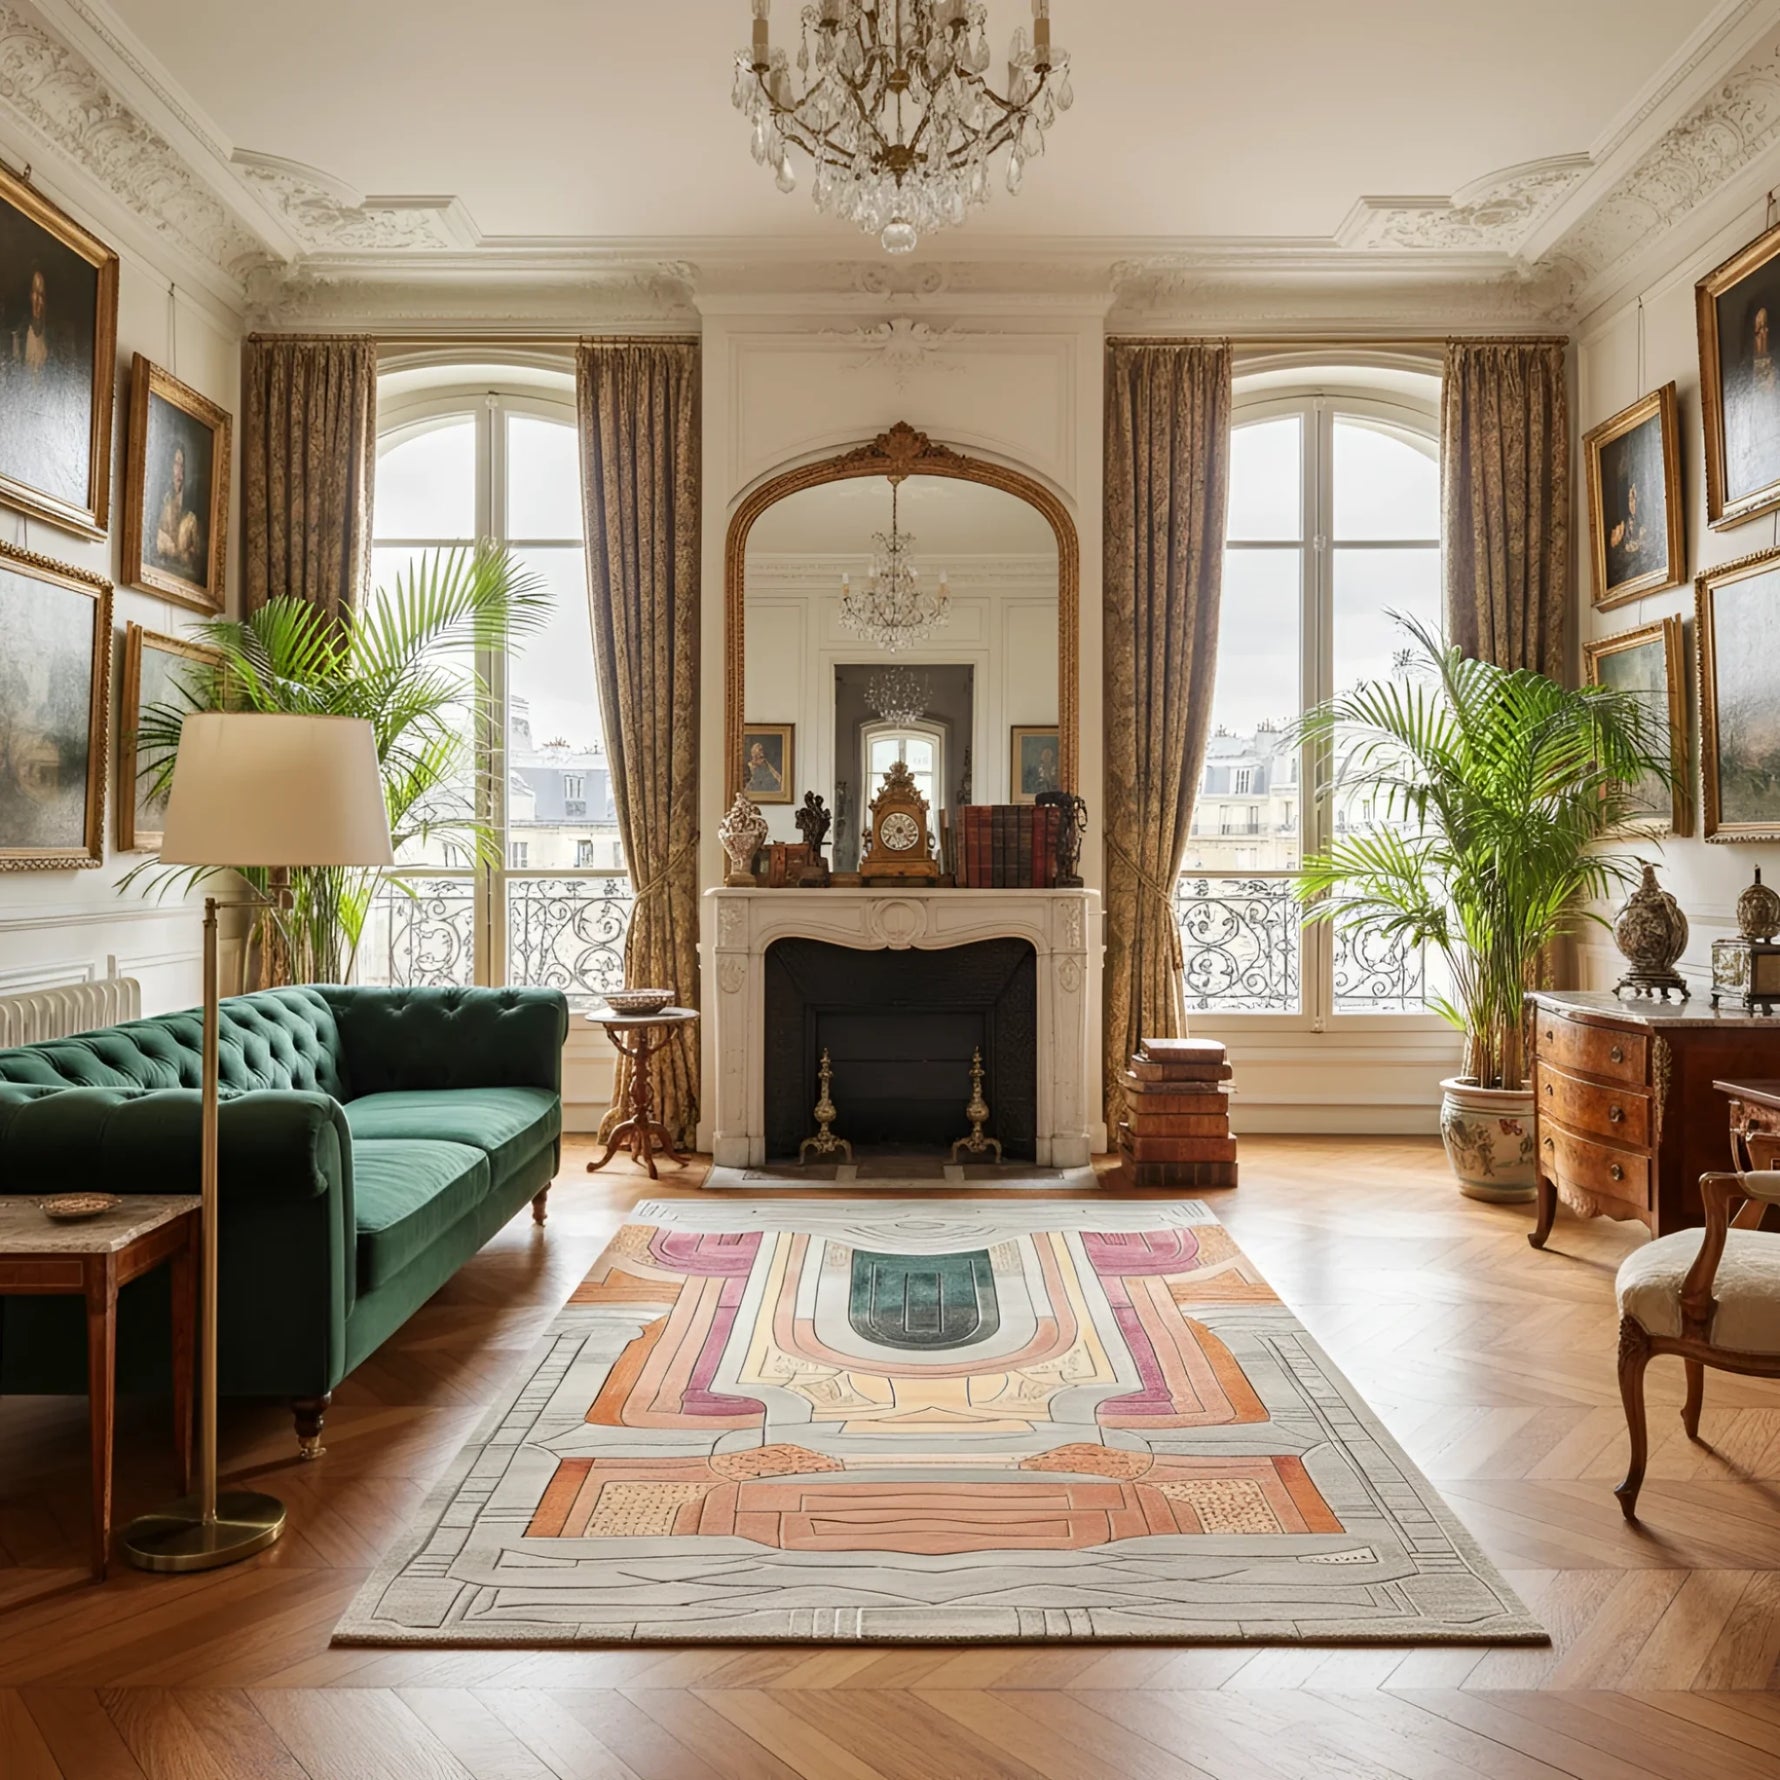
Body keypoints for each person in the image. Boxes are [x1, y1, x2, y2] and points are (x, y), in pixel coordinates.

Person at [153, 441, 205, 581]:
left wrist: (179, 553)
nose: (179, 470)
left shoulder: (190, 518)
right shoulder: (161, 506)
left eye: (182, 465)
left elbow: (196, 561)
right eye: (175, 463)